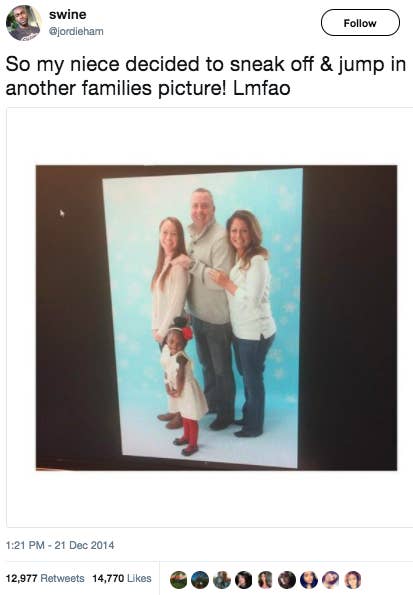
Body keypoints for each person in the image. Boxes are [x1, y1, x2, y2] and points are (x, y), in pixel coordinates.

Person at [209, 210, 276, 437]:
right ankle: (249, 416)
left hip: (255, 332)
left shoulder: (257, 261)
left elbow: (251, 299)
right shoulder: (240, 257)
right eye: (234, 230)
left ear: (253, 233)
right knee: (248, 376)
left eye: (244, 230)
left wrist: (226, 282)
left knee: (253, 378)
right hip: (242, 331)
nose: (238, 235)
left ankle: (254, 426)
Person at [172, 188, 235, 430]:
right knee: (206, 366)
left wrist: (193, 264)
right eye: (195, 206)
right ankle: (213, 404)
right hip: (197, 317)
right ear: (191, 209)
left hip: (217, 320)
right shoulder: (192, 235)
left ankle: (227, 414)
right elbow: (191, 279)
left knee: (221, 370)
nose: (199, 210)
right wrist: (187, 309)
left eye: (204, 205)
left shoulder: (220, 237)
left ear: (213, 209)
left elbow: (220, 281)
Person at [151, 217, 189, 429]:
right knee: (169, 372)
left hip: (172, 332)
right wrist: (154, 327)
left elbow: (176, 304)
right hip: (161, 331)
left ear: (180, 237)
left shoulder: (179, 266)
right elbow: (157, 300)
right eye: (165, 232)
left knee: (177, 373)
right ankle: (174, 410)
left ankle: (183, 414)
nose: (168, 237)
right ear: (159, 235)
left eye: (173, 233)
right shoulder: (164, 263)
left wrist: (163, 331)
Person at [160, 317, 208, 456]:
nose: (174, 345)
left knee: (190, 418)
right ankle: (186, 437)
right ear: (166, 341)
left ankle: (193, 444)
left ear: (185, 344)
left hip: (186, 390)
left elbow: (180, 377)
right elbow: (166, 372)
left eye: (179, 343)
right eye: (171, 341)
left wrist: (178, 391)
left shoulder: (181, 358)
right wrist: (168, 388)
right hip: (178, 390)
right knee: (184, 415)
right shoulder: (167, 354)